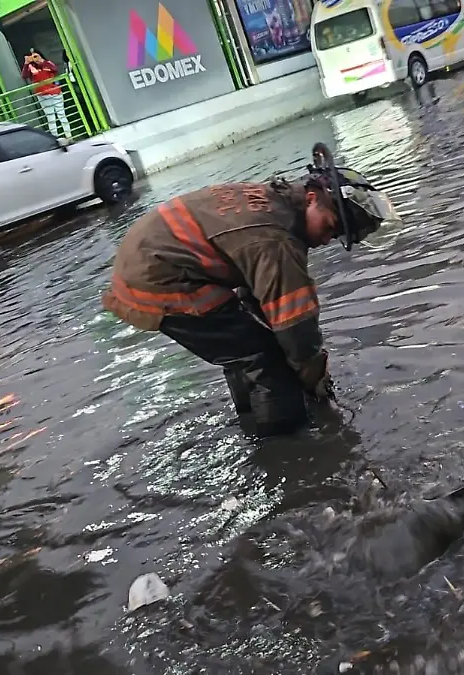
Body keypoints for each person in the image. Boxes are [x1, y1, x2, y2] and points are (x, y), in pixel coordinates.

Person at [101, 144, 399, 437]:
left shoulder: (272, 199)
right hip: (158, 281)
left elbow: (256, 294)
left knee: (243, 348)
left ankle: (251, 422)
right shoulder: (277, 242)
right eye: (330, 227)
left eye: (337, 236)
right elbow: (296, 329)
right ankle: (285, 448)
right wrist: (316, 379)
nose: (327, 240)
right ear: (311, 198)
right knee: (266, 359)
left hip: (149, 262)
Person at [21, 49, 71, 139]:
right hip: (42, 95)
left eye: (36, 56)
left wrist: (41, 61)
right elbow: (24, 76)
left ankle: (69, 136)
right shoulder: (30, 67)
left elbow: (54, 69)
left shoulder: (48, 63)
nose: (34, 58)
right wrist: (26, 63)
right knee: (51, 118)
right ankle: (55, 139)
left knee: (61, 115)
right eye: (32, 56)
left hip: (55, 93)